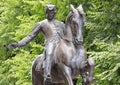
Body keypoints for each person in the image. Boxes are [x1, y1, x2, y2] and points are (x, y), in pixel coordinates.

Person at [7, 4, 65, 82]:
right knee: (50, 52)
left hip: (62, 45)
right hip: (50, 43)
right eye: (48, 12)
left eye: (52, 12)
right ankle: (47, 75)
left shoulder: (61, 24)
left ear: (54, 13)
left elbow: (68, 35)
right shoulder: (42, 24)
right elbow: (30, 36)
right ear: (46, 13)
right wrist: (18, 44)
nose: (50, 14)